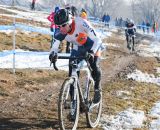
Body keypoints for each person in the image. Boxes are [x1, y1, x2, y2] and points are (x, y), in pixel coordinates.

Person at [49, 9, 102, 106]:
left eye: (63, 25)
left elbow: (97, 40)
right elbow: (55, 45)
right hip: (78, 48)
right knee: (72, 70)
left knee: (93, 65)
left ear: (70, 21)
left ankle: (97, 89)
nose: (61, 28)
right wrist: (53, 54)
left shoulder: (81, 22)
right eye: (58, 26)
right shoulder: (60, 31)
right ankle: (74, 102)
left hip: (92, 45)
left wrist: (92, 52)